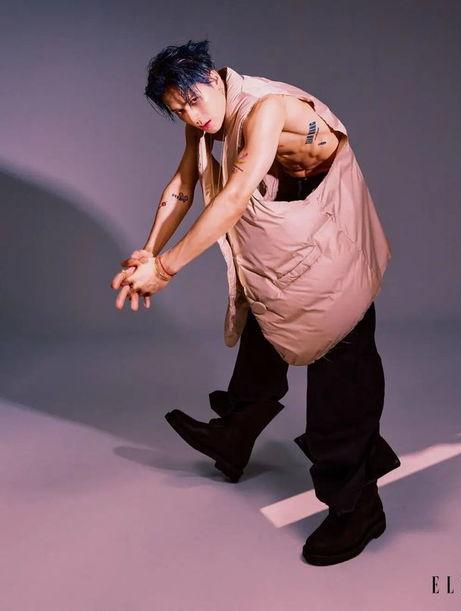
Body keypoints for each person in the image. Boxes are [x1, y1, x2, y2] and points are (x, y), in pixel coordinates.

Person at [110, 39, 401, 566]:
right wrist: (149, 251)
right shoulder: (203, 119)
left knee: (340, 353)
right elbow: (183, 183)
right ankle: (235, 434)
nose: (192, 117)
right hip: (291, 212)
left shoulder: (266, 108)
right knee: (268, 309)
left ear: (213, 77)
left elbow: (236, 192)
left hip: (330, 216)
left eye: (193, 101)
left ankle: (358, 506)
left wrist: (167, 269)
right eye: (178, 110)